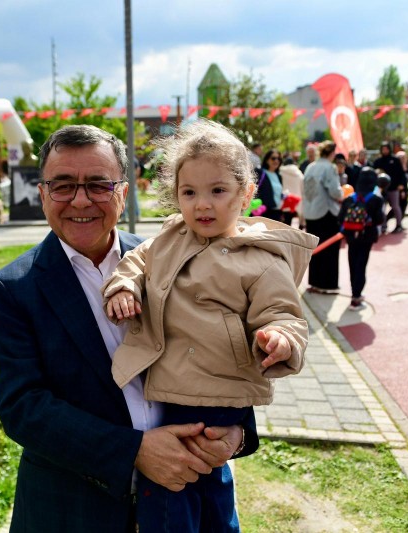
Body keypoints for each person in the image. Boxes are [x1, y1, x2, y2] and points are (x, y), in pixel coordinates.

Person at [0, 125, 257, 532]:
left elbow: (221, 345)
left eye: (98, 184)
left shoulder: (170, 258)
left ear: (123, 193)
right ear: (42, 194)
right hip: (74, 512)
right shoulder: (12, 289)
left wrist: (237, 432)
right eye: (62, 185)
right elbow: (24, 408)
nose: (80, 200)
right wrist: (134, 451)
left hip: (189, 500)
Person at [102, 119, 316, 532]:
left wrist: (280, 338)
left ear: (246, 193)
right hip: (169, 393)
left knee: (204, 484)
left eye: (217, 191)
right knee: (174, 490)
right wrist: (124, 286)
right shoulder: (170, 236)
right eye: (189, 192)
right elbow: (136, 260)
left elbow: (283, 313)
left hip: (220, 395)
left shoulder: (261, 259)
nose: (202, 204)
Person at [338, 168, 384, 311]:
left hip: (351, 237)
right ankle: (356, 297)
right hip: (366, 237)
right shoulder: (376, 199)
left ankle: (354, 293)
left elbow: (340, 218)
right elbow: (379, 219)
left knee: (352, 264)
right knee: (361, 265)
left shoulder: (349, 199)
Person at [303, 141, 343, 293]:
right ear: (332, 153)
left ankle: (314, 282)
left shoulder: (310, 166)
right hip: (326, 212)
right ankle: (327, 284)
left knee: (315, 249)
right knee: (330, 249)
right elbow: (335, 191)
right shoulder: (330, 167)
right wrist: (342, 194)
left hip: (310, 212)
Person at [373, 141, 407, 234]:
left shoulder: (395, 160)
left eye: (386, 149)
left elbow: (401, 173)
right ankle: (383, 226)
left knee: (395, 206)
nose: (385, 151)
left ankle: (399, 225)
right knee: (382, 208)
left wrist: (401, 185)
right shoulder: (378, 161)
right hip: (381, 190)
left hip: (393, 188)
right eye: (383, 149)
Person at [256, 149, 285, 221]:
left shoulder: (279, 176)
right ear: (267, 160)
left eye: (278, 159)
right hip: (263, 212)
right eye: (273, 158)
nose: (276, 161)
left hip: (277, 212)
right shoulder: (260, 173)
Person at [279, 156, 305, 228]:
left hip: (285, 201)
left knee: (286, 224)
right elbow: (303, 188)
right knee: (299, 226)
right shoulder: (299, 173)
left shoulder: (280, 172)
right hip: (297, 201)